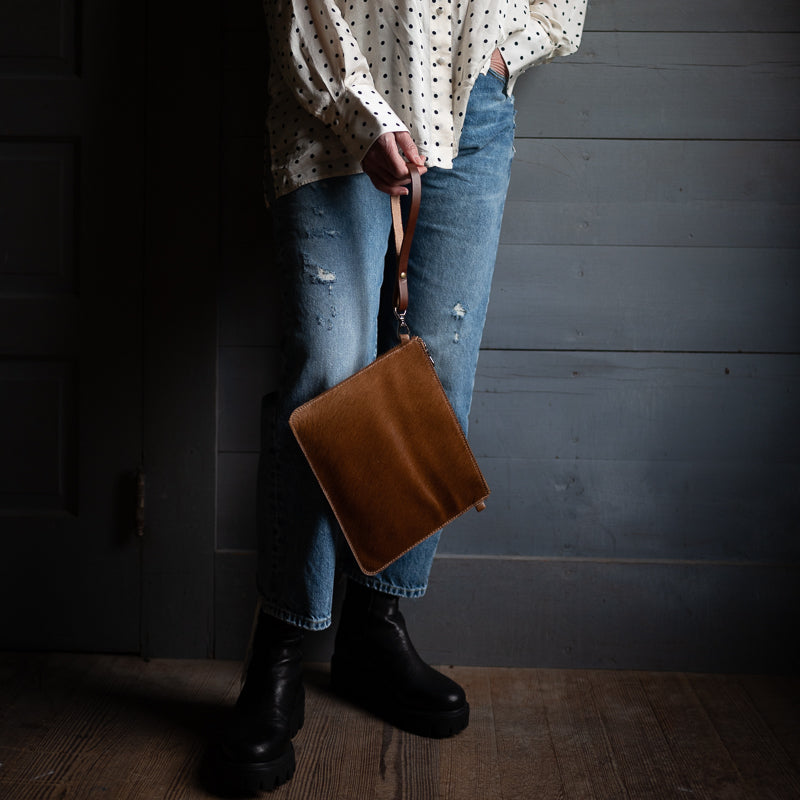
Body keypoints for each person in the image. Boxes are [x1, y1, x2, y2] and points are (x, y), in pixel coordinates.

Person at [212, 1, 586, 793]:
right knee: (327, 374)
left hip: (470, 103)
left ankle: (372, 627)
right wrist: (361, 107)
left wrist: (503, 51)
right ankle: (280, 643)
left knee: (435, 375)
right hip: (333, 98)